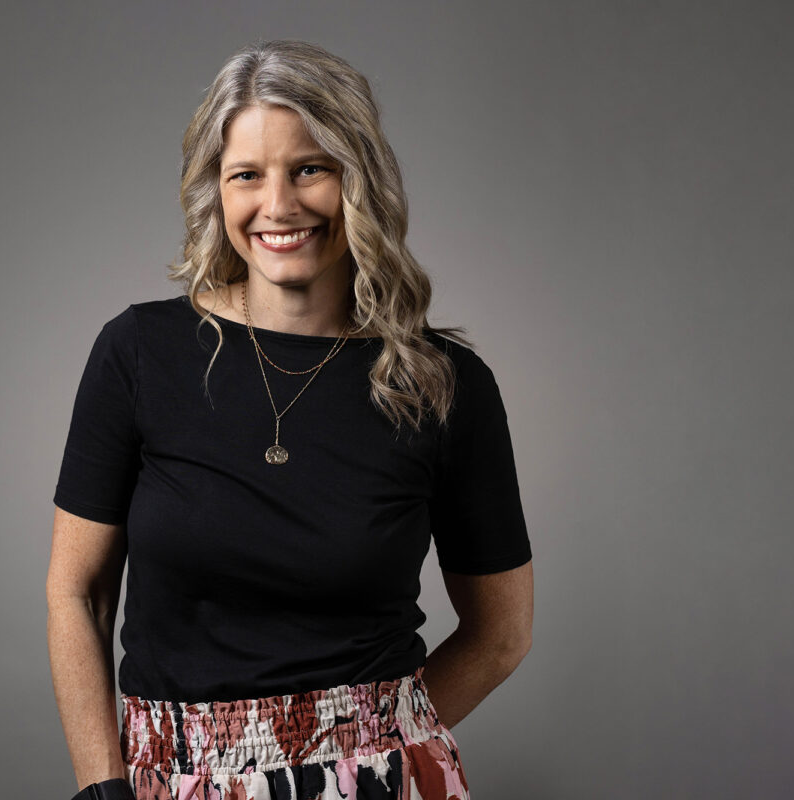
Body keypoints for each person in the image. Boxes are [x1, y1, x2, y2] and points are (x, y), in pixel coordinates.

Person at [47, 40, 534, 800]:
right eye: (247, 175)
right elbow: (77, 593)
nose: (278, 206)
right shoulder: (139, 353)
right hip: (167, 782)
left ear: (359, 178)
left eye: (310, 168)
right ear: (217, 190)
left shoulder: (444, 385)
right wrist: (100, 786)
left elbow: (502, 635)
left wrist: (368, 742)